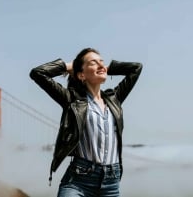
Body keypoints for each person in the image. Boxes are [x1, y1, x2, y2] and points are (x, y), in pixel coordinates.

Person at [29, 48, 142, 197]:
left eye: (102, 61)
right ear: (81, 74)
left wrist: (103, 68)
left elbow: (136, 68)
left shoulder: (115, 99)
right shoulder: (71, 100)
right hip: (78, 180)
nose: (101, 65)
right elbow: (37, 73)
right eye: (93, 62)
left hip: (111, 183)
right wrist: (70, 66)